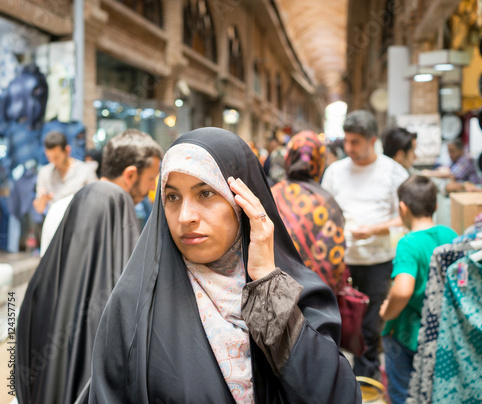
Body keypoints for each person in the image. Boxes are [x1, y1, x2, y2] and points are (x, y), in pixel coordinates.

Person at [78, 127, 361, 403]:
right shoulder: (133, 308)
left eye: (206, 193)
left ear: (244, 203)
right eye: (173, 197)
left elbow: (335, 394)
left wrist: (265, 285)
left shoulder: (295, 297)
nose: (185, 216)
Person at [16, 129, 163, 404]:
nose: (151, 188)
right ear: (131, 174)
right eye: (151, 179)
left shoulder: (69, 205)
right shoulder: (116, 203)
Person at [321, 110, 409, 379]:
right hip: (341, 261)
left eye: (355, 142)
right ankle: (338, 380)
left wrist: (374, 228)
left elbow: (406, 217)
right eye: (347, 141)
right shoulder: (335, 172)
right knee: (337, 323)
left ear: (372, 141)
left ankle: (367, 382)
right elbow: (324, 212)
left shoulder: (394, 173)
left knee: (370, 327)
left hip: (377, 261)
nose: (348, 148)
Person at [379, 175, 457, 404]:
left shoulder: (408, 243)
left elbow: (403, 290)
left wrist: (387, 312)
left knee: (403, 393)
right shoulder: (449, 235)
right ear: (435, 206)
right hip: (441, 332)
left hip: (407, 336)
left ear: (402, 208)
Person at [272, 130, 346, 294]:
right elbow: (336, 257)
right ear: (320, 161)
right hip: (319, 295)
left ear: (289, 157)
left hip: (279, 294)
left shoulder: (271, 195)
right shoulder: (327, 202)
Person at [33, 131, 97, 214]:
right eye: (49, 158)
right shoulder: (44, 173)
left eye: (56, 157)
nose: (53, 161)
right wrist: (43, 199)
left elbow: (96, 200)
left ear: (67, 151)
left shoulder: (85, 170)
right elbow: (39, 209)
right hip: (55, 222)